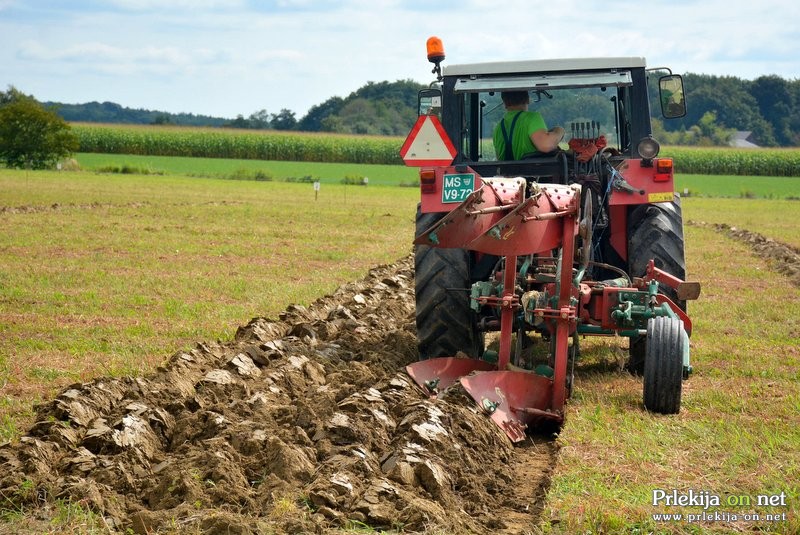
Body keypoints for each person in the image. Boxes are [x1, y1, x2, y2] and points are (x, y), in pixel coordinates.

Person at [493, 90, 565, 160]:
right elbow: (546, 145)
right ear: (528, 99)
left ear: (504, 103)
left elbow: (499, 158)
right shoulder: (531, 118)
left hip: (505, 172)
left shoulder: (498, 128)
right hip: (533, 171)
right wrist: (559, 131)